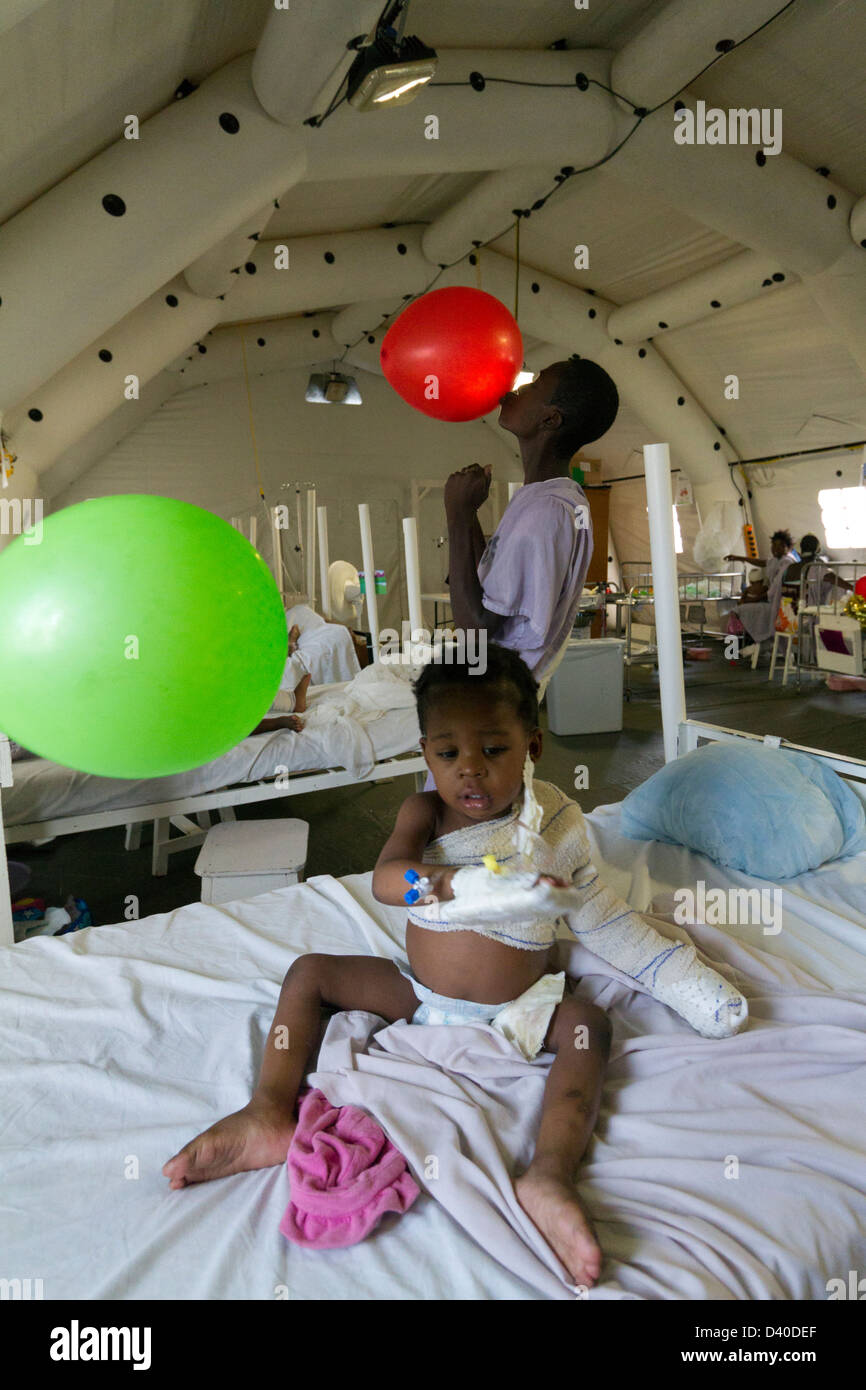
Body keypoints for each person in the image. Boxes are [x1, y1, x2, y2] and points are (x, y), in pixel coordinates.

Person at [163, 645, 746, 1286]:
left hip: (519, 1014)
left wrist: (687, 981)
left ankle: (549, 1173)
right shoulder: (424, 813)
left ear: (533, 745)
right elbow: (389, 881)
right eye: (448, 755)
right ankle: (269, 1110)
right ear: (425, 754)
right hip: (419, 996)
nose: (470, 772)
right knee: (309, 972)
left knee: (588, 1024)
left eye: (494, 750)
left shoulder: (557, 823)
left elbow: (602, 920)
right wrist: (461, 887)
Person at [444, 356, 619, 694]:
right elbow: (491, 579)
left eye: (535, 385)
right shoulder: (543, 497)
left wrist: (457, 515)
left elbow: (477, 631)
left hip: (495, 691)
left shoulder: (547, 511)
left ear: (550, 419)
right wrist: (470, 515)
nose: (519, 387)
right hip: (495, 684)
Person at [725, 529, 798, 649]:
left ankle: (743, 645)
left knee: (739, 610)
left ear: (788, 548)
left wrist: (754, 599)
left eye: (781, 546)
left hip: (780, 604)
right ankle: (751, 643)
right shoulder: (776, 560)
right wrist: (739, 558)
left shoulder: (787, 562)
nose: (776, 548)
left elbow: (775, 589)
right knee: (739, 610)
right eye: (774, 545)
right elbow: (763, 562)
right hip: (771, 601)